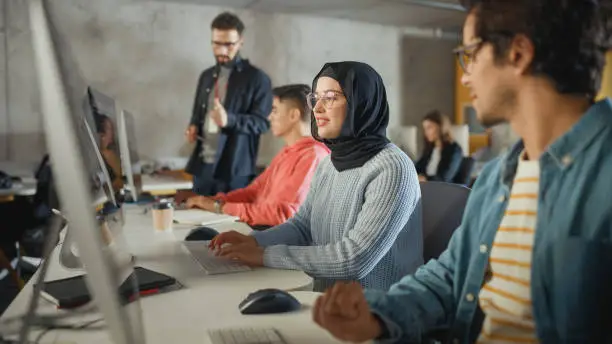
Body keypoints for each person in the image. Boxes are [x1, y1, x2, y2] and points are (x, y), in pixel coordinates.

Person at [312, 1, 612, 343]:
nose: (465, 74)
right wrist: (379, 315)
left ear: (518, 53)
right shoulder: (499, 176)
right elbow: (451, 276)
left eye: (469, 54)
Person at [209, 61, 423, 292]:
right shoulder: (330, 163)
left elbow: (354, 259)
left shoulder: (392, 168)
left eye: (330, 97)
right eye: (315, 98)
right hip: (324, 298)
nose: (317, 108)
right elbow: (303, 226)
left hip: (375, 311)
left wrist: (264, 254)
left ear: (361, 103)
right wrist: (255, 241)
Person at [184, 84, 330, 228]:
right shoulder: (288, 152)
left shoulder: (313, 156)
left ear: (294, 115)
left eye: (274, 110)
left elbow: (282, 215)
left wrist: (219, 207)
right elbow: (254, 192)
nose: (269, 117)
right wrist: (214, 201)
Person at [184, 12, 273, 196]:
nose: (222, 51)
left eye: (229, 44)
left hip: (234, 171)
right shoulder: (206, 76)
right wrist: (193, 126)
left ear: (241, 42)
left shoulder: (258, 79)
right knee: (197, 223)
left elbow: (263, 123)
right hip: (203, 168)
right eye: (216, 43)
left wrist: (229, 120)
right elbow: (197, 114)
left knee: (231, 224)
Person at [415, 110, 463, 183]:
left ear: (441, 127)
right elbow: (418, 167)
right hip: (426, 186)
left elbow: (445, 177)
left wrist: (425, 179)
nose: (426, 132)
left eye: (429, 127)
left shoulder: (454, 149)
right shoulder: (430, 148)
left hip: (442, 189)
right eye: (425, 128)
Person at [96, 114, 123, 192]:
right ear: (101, 134)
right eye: (110, 129)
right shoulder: (108, 154)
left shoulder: (103, 152)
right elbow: (122, 179)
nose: (113, 132)